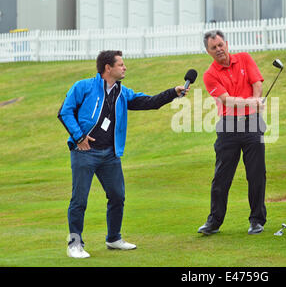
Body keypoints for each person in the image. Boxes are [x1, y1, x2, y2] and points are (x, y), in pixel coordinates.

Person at [58, 50, 189, 258]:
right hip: (84, 152)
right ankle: (74, 244)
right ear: (108, 68)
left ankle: (113, 238)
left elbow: (150, 102)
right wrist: (79, 137)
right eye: (121, 64)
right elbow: (65, 111)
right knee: (79, 200)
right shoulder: (83, 87)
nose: (124, 67)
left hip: (110, 155)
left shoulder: (122, 92)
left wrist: (173, 92)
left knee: (118, 196)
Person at [198, 30, 267, 235]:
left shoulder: (245, 58)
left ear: (226, 44)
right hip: (228, 125)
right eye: (213, 47)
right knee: (222, 176)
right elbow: (226, 99)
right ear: (208, 51)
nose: (218, 49)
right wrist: (251, 102)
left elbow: (257, 83)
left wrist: (254, 102)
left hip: (252, 123)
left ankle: (257, 220)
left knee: (256, 174)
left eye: (220, 45)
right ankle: (214, 221)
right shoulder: (210, 74)